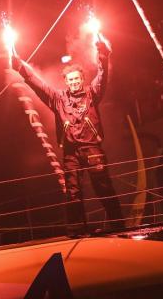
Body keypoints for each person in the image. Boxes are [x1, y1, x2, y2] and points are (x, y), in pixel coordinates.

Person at [11, 39, 124, 236]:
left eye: (76, 79)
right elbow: (38, 84)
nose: (73, 82)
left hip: (92, 149)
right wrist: (21, 67)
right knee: (73, 193)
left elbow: (102, 75)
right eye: (70, 80)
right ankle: (77, 230)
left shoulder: (92, 93)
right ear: (66, 82)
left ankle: (119, 225)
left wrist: (104, 55)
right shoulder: (58, 99)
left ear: (82, 79)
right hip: (70, 153)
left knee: (103, 187)